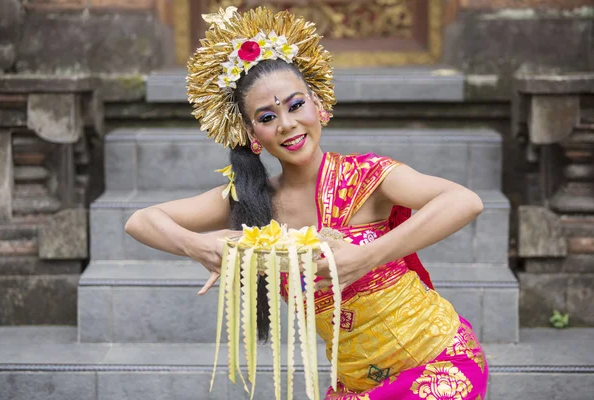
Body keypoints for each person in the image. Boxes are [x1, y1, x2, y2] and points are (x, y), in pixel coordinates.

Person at [124, 6, 488, 399]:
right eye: (267, 116)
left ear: (318, 105)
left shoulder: (367, 175)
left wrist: (369, 256)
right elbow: (141, 221)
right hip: (355, 386)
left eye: (296, 105)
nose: (287, 124)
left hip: (439, 364)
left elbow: (464, 201)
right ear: (252, 133)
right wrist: (199, 246)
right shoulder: (252, 202)